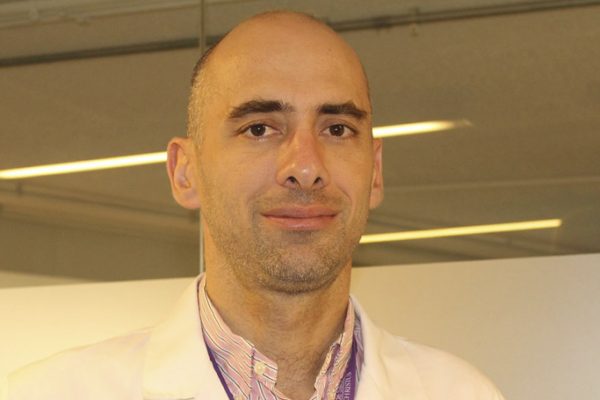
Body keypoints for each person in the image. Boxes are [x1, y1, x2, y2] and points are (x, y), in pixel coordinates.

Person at [1, 11, 505, 400]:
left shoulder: (461, 392)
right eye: (259, 128)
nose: (305, 166)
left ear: (374, 172)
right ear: (185, 172)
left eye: (337, 129)